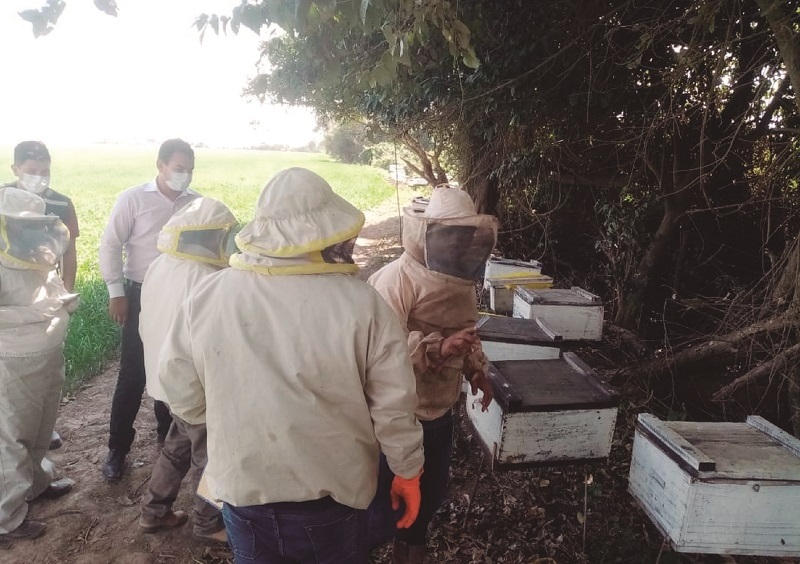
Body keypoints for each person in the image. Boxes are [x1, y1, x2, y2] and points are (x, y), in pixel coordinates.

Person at [158, 167, 425, 563]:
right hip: (330, 498)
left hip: (241, 491)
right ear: (327, 231)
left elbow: (177, 387)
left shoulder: (208, 295)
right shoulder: (361, 304)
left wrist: (228, 421)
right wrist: (407, 470)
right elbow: (394, 404)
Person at [366, 185, 498, 563]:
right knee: (382, 510)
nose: (459, 245)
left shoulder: (461, 282)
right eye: (452, 235)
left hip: (439, 412)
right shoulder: (397, 280)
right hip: (396, 417)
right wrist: (437, 347)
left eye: (465, 236)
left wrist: (477, 372)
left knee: (423, 507)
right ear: (431, 234)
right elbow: (381, 350)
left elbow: (469, 332)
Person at [98, 138, 200, 481]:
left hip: (179, 297)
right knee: (132, 374)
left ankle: (166, 441)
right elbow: (110, 245)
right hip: (139, 294)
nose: (183, 176)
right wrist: (117, 293)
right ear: (161, 165)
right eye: (178, 168)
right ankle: (117, 449)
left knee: (171, 367)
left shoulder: (196, 205)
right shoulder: (133, 199)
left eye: (189, 170)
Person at [137, 197, 237, 544]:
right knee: (209, 457)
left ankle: (154, 511)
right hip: (195, 386)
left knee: (177, 445)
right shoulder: (208, 279)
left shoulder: (160, 265)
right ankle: (208, 524)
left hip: (165, 383)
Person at [0, 188, 79, 541]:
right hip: (12, 363)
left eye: (35, 227)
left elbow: (52, 291)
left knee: (42, 427)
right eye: (22, 227)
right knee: (13, 437)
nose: (29, 233)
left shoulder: (39, 254)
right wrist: (40, 312)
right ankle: (7, 519)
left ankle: (37, 485)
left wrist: (61, 302)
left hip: (48, 355)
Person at [6, 140, 81, 451]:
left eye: (45, 172)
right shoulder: (3, 200)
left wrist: (66, 289)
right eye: (32, 171)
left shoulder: (61, 204)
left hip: (47, 296)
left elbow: (70, 251)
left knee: (49, 375)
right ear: (15, 169)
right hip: (12, 302)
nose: (39, 177)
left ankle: (42, 434)